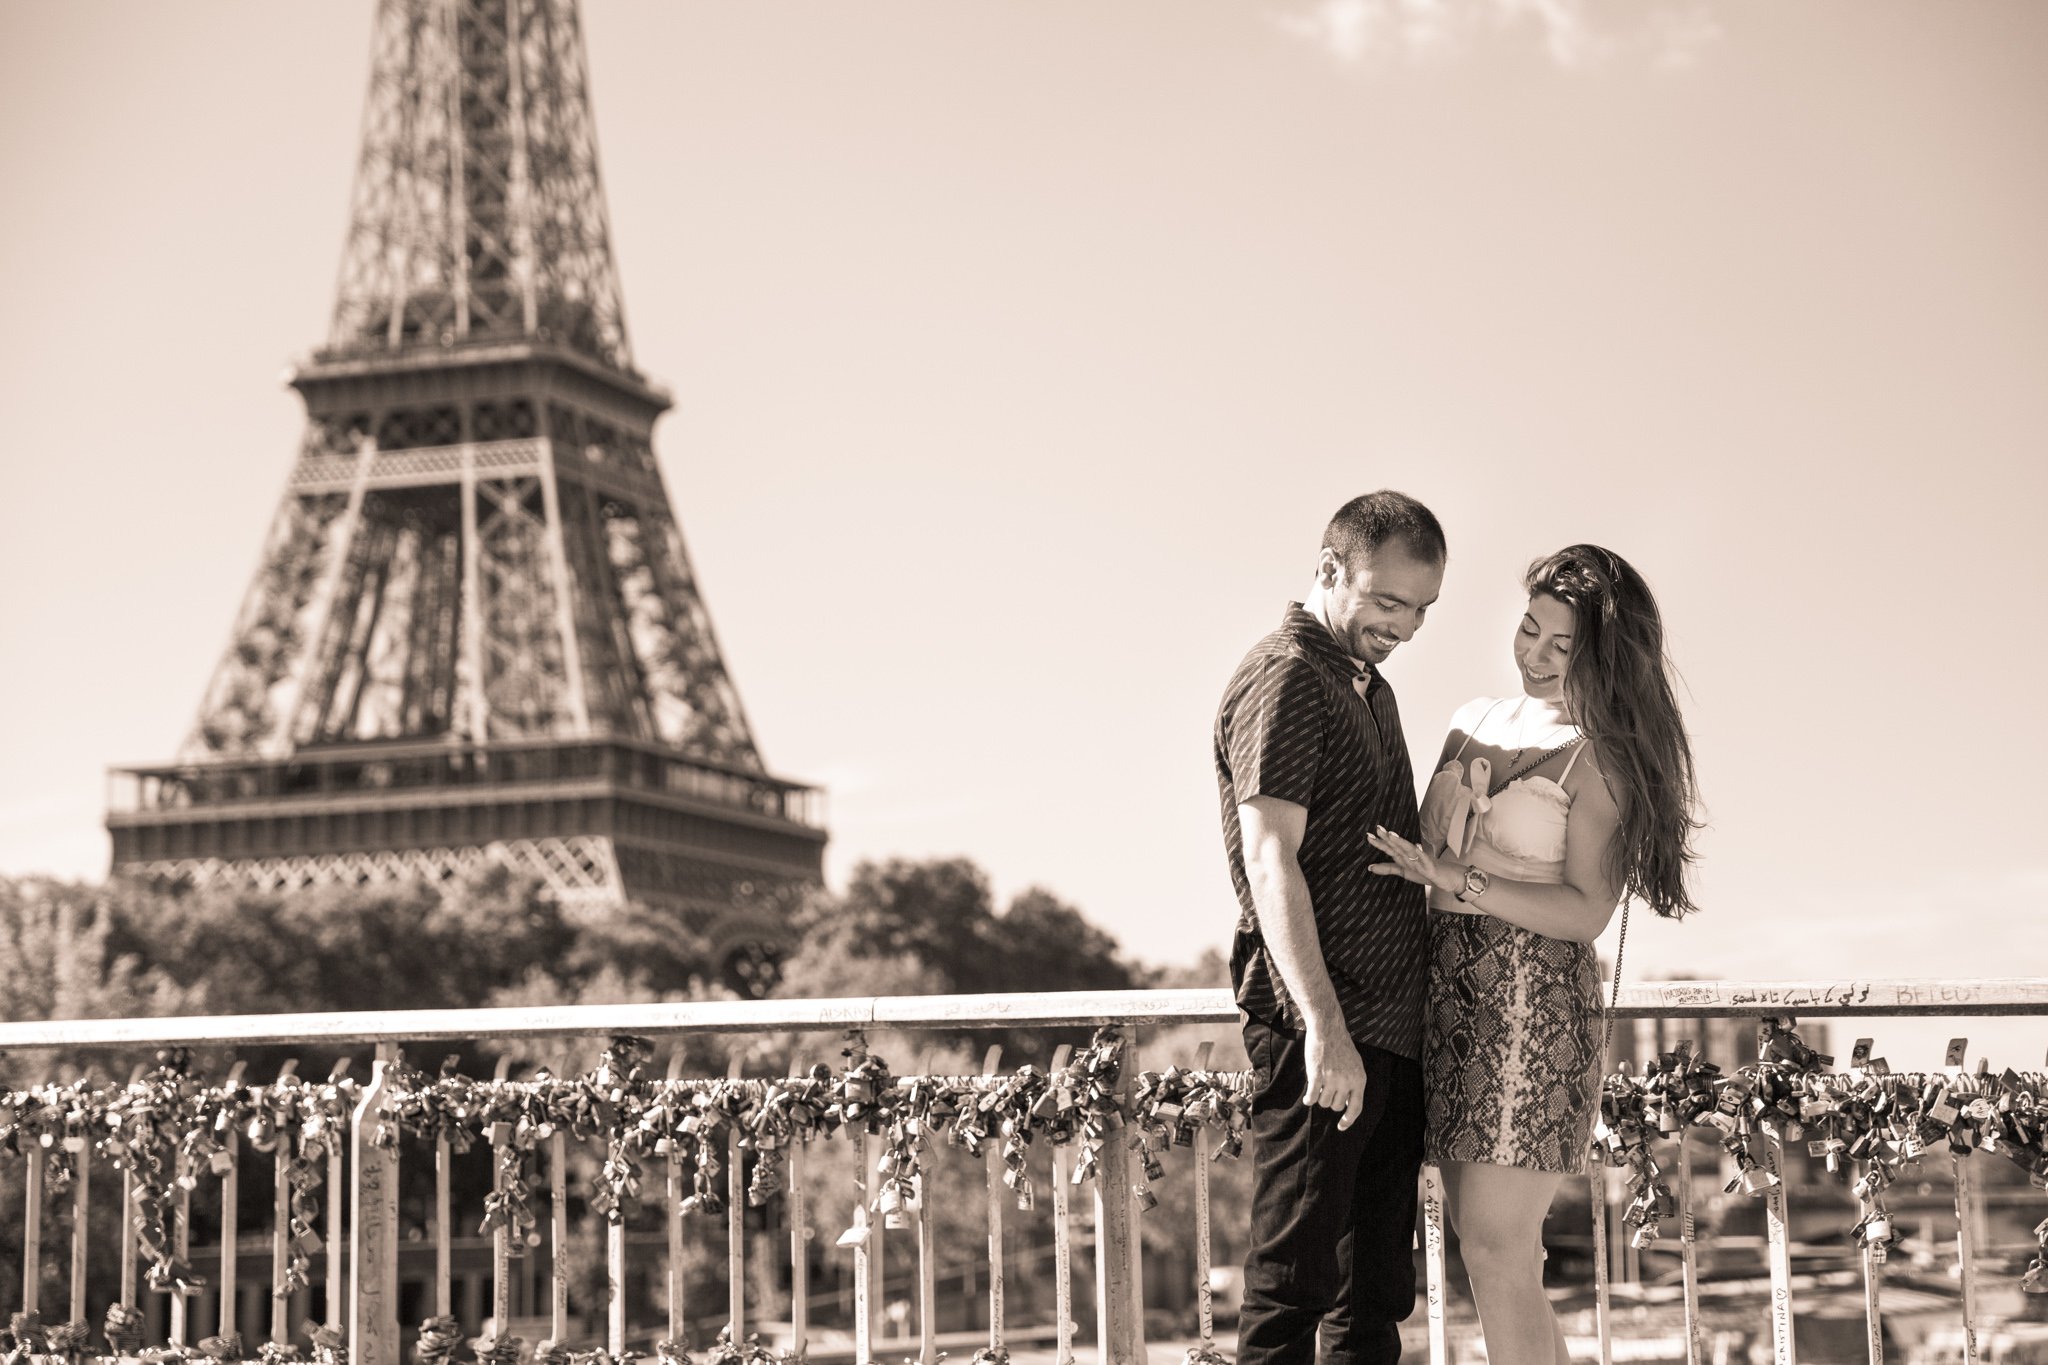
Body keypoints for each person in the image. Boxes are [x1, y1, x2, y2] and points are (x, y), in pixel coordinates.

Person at [1366, 544, 1701, 1365]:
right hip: (1439, 994)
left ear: (1603, 658)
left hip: (1532, 1005)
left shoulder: (1605, 756)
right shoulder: (1469, 718)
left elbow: (1587, 908)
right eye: (1529, 630)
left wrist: (1460, 878)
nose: (1537, 656)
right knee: (1493, 1252)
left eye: (1563, 646)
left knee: (1495, 1248)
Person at [1214, 490, 1447, 1365]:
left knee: (1372, 1293)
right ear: (1327, 570)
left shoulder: (1366, 687)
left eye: (1422, 609)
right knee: (1293, 1286)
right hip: (1326, 1025)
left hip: (1385, 1027)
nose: (1407, 625)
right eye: (1388, 602)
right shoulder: (1288, 675)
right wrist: (1323, 1027)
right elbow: (1271, 858)